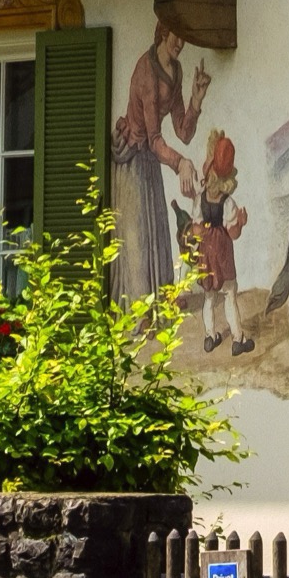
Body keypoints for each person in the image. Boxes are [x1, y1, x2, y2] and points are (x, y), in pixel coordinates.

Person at [111, 19, 207, 301]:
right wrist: (180, 163)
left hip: (150, 159)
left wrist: (196, 101)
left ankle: (160, 303)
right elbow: (154, 139)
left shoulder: (175, 70)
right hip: (132, 160)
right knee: (139, 238)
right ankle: (141, 313)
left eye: (183, 37)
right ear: (163, 33)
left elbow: (183, 131)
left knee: (159, 232)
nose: (180, 43)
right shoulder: (147, 71)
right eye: (176, 36)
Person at [181, 132, 247, 355]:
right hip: (223, 253)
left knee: (209, 295)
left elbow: (197, 228)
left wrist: (200, 233)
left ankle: (210, 337)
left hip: (207, 253)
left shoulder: (199, 200)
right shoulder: (228, 203)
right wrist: (240, 223)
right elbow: (233, 233)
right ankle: (237, 339)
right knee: (229, 293)